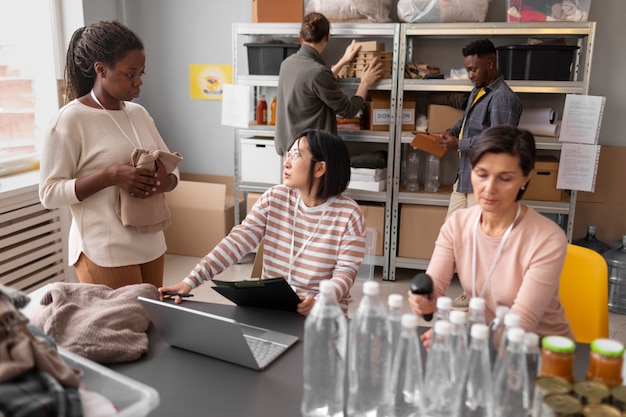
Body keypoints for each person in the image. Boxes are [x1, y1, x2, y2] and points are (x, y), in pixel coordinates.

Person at [159, 129, 366, 316]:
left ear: (320, 168)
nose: (287, 162)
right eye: (289, 153)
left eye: (297, 155)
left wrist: (320, 301)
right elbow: (236, 243)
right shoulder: (275, 197)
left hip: (321, 315)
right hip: (272, 308)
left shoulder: (348, 214)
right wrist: (189, 281)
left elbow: (345, 273)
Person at [39, 20, 180, 289]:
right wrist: (110, 176)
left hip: (151, 243)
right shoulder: (70, 120)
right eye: (130, 74)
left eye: (142, 73)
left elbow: (172, 171)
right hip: (104, 250)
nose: (139, 81)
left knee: (150, 328)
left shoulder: (139, 114)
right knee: (122, 329)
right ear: (101, 70)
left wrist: (165, 181)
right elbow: (49, 193)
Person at [408, 126, 573, 348]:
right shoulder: (457, 225)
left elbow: (522, 322)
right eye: (481, 174)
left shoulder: (547, 238)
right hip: (486, 345)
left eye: (505, 178)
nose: (489, 188)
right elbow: (434, 288)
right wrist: (423, 301)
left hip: (543, 350)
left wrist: (460, 337)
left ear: (526, 178)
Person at [434, 38, 522, 309]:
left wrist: (458, 144)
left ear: (490, 64)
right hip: (465, 177)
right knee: (454, 234)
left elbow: (499, 143)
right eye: (467, 69)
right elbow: (466, 122)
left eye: (473, 69)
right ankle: (471, 290)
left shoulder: (503, 99)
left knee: (481, 241)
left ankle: (481, 295)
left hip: (485, 183)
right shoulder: (478, 91)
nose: (470, 74)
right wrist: (452, 130)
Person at [274, 12, 383, 156]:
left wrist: (343, 60)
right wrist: (365, 83)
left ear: (300, 35)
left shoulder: (287, 64)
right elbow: (349, 111)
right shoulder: (318, 72)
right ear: (328, 37)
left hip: (290, 152)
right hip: (311, 155)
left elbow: (314, 84)